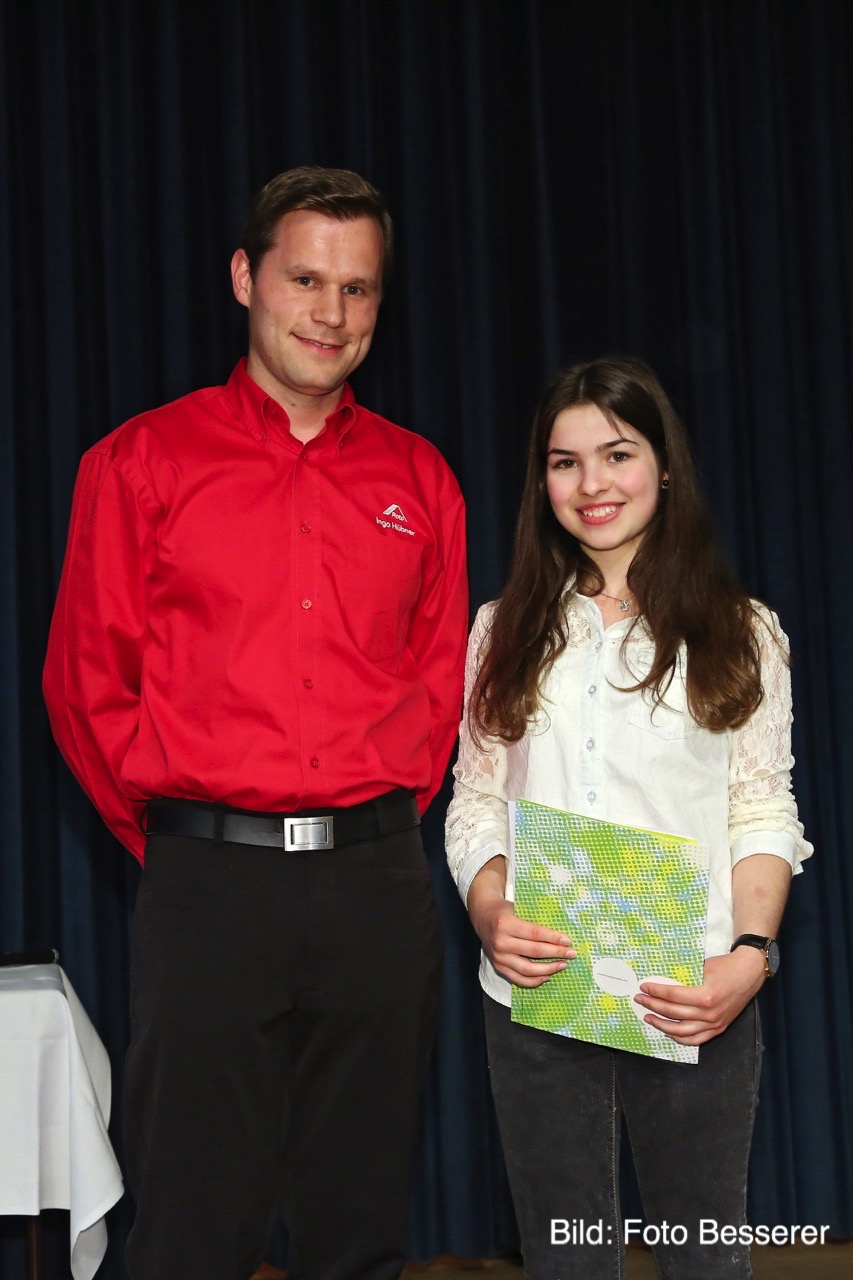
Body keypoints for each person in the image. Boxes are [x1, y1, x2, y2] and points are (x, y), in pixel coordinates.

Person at [44, 166, 468, 1280]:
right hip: (210, 887)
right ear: (245, 277)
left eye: (358, 288)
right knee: (191, 1225)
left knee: (359, 1228)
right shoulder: (141, 461)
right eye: (306, 280)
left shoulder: (419, 477)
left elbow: (437, 690)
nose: (331, 313)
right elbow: (87, 685)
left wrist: (376, 825)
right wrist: (183, 842)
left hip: (376, 887)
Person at [446, 356, 811, 1280]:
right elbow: (477, 797)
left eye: (616, 454)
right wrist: (490, 911)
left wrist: (748, 956)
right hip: (538, 992)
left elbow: (760, 805)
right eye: (564, 463)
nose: (591, 484)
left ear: (663, 466)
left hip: (691, 989)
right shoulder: (500, 629)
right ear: (542, 483)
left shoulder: (742, 629)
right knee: (565, 1258)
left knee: (703, 1256)